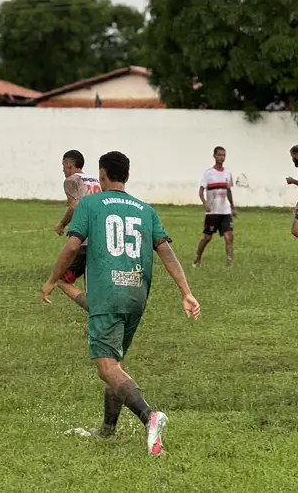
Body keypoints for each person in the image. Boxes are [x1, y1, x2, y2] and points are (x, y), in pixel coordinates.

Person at [41, 151, 201, 456]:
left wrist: (52, 279)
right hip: (136, 293)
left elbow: (73, 245)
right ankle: (107, 430)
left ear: (102, 175)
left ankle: (149, 416)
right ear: (126, 175)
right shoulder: (145, 209)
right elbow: (166, 252)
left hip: (108, 293)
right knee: (118, 363)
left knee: (107, 367)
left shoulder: (90, 203)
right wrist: (186, 291)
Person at [52, 149, 102, 312]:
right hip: (100, 235)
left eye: (63, 166)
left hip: (85, 238)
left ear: (69, 165)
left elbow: (74, 206)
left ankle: (95, 312)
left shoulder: (71, 180)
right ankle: (98, 314)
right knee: (93, 281)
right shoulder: (94, 179)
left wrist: (61, 224)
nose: (63, 170)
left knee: (62, 279)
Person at [193, 146, 236, 268]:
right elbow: (201, 191)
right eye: (219, 155)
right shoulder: (209, 173)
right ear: (214, 156)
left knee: (229, 237)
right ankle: (197, 258)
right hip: (212, 211)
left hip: (225, 211)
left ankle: (229, 263)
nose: (222, 157)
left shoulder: (228, 173)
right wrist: (205, 202)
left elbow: (228, 191)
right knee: (207, 237)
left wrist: (232, 207)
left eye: (224, 155)